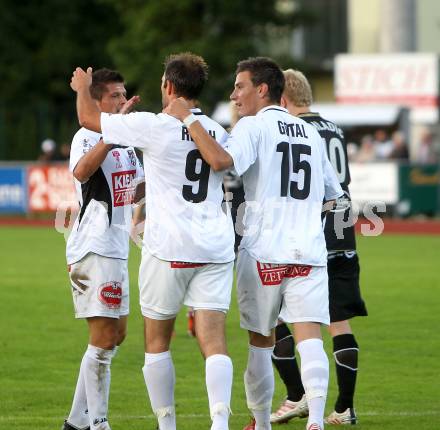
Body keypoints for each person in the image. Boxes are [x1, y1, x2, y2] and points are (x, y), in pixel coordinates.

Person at [165, 57, 343, 430]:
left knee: (261, 341)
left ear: (262, 89)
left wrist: (189, 119)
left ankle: (261, 423)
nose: (234, 95)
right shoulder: (309, 131)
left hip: (264, 250)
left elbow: (224, 162)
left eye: (240, 86)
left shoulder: (253, 126)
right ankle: (315, 421)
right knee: (309, 335)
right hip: (309, 251)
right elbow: (332, 193)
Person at [70, 53, 235, 430]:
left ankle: (167, 426)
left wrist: (82, 89)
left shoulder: (152, 125)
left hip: (169, 248)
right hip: (214, 247)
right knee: (213, 340)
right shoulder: (215, 129)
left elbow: (87, 120)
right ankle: (220, 422)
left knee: (157, 341)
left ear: (169, 86)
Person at [270, 69, 368, 426]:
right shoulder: (335, 128)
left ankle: (296, 395)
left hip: (309, 234)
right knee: (339, 322)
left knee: (276, 316)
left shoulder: (297, 130)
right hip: (343, 233)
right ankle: (344, 408)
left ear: (283, 98)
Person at [63, 68, 144, 430]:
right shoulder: (87, 135)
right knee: (103, 339)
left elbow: (136, 189)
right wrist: (110, 136)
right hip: (93, 247)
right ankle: (97, 423)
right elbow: (82, 172)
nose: (122, 101)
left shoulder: (126, 143)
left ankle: (75, 422)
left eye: (124, 95)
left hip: (116, 248)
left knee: (117, 335)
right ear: (97, 101)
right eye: (115, 96)